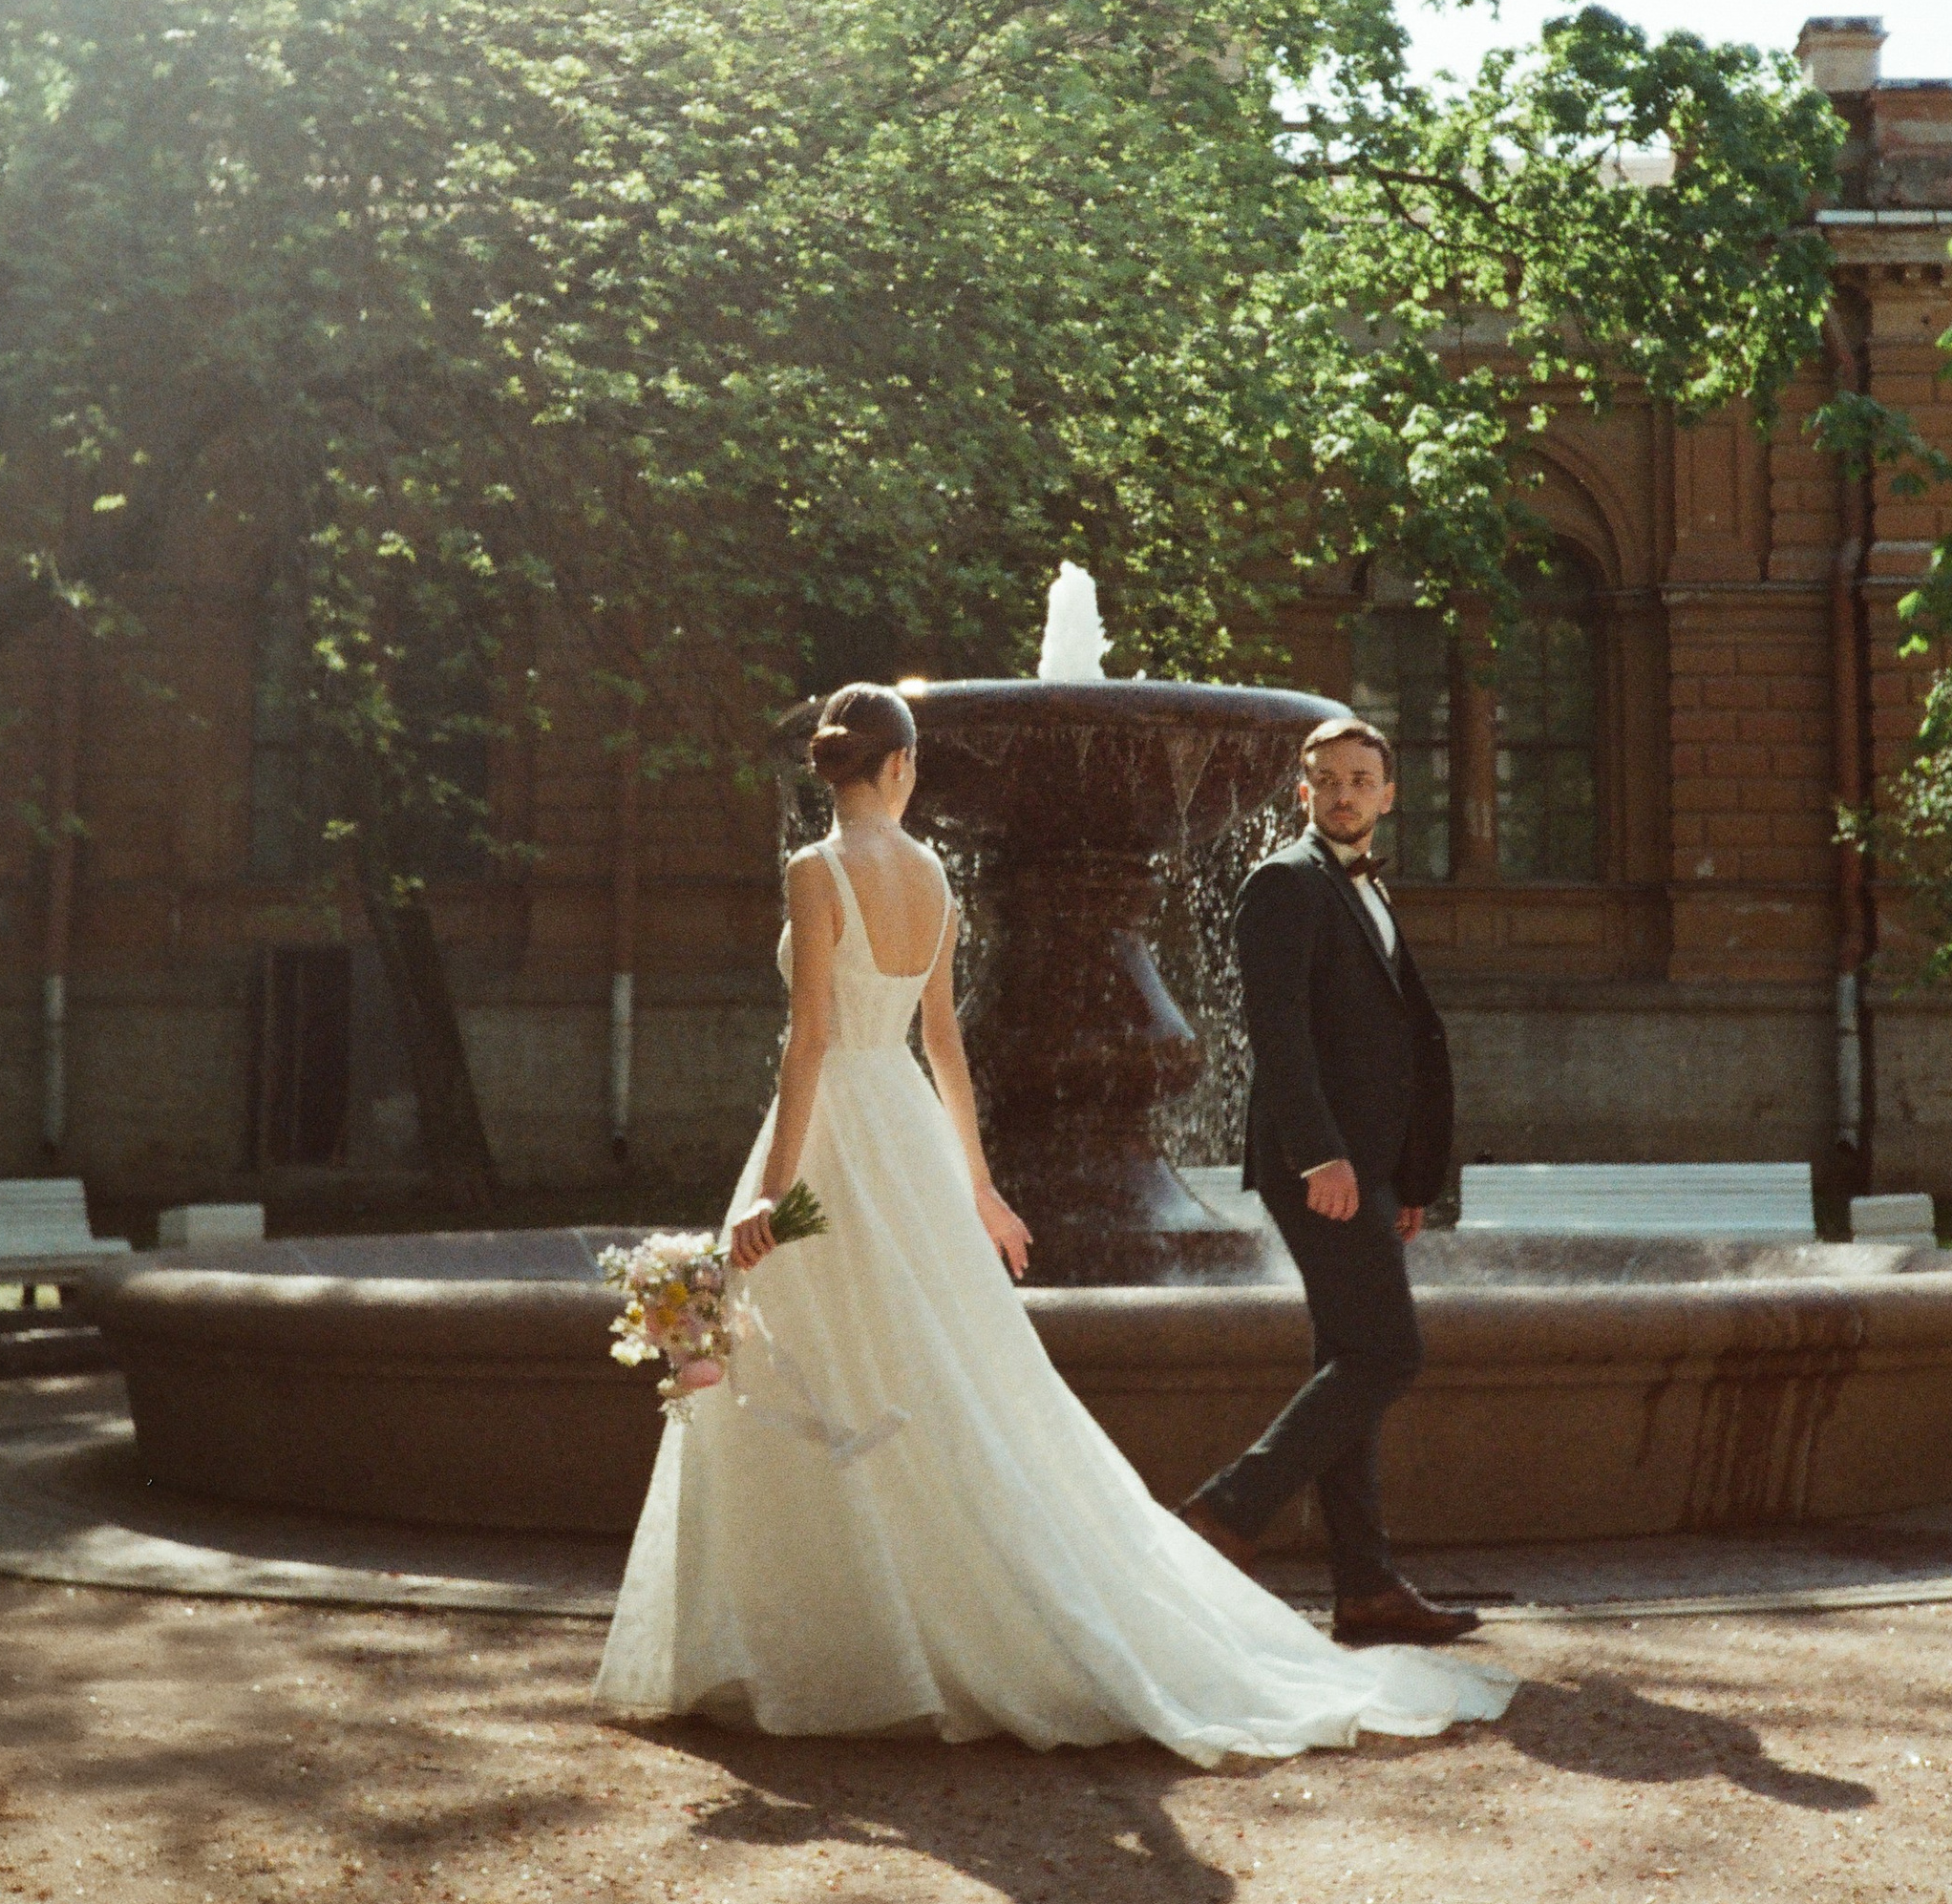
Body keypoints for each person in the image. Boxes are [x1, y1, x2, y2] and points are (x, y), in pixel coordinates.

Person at [595, 682, 1512, 1760]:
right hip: (910, 1137)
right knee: (941, 1368)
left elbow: (807, 1044)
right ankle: (915, 1619)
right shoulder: (932, 873)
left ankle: (807, 1636)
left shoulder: (816, 869)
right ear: (902, 768)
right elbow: (945, 1048)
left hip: (836, 1128)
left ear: (843, 768)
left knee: (808, 1354)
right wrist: (977, 1188)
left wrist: (769, 1189)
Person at [1178, 714, 1480, 1648]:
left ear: (1388, 794)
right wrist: (1321, 1157)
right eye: (1326, 779)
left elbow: (1394, 1042)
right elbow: (1278, 1032)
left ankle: (1365, 1587)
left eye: (1361, 779)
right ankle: (1226, 1510)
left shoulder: (1364, 891)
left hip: (1370, 1167)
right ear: (1302, 792)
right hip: (1319, 1164)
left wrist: (1410, 1176)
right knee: (1386, 1354)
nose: (1344, 793)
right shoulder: (1285, 882)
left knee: (1345, 1358)